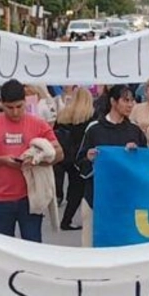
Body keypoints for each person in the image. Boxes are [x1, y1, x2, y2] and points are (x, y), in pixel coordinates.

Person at [0, 79, 63, 242]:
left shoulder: (38, 124)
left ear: (26, 102)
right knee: (3, 248)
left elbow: (59, 153)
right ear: (1, 104)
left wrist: (38, 160)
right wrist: (2, 161)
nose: (15, 112)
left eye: (19, 107)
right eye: (9, 108)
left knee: (32, 246)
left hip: (30, 196)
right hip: (0, 197)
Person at [76, 85, 147, 247]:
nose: (130, 105)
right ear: (113, 102)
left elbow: (145, 164)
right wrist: (89, 158)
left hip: (125, 199)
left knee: (124, 246)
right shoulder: (94, 129)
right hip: (95, 197)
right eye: (125, 100)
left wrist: (136, 155)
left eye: (132, 101)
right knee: (91, 246)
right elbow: (79, 164)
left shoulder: (135, 130)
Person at [54, 87, 94, 231]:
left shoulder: (64, 114)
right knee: (79, 190)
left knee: (73, 188)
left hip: (66, 155)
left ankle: (66, 219)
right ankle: (67, 220)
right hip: (80, 157)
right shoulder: (89, 116)